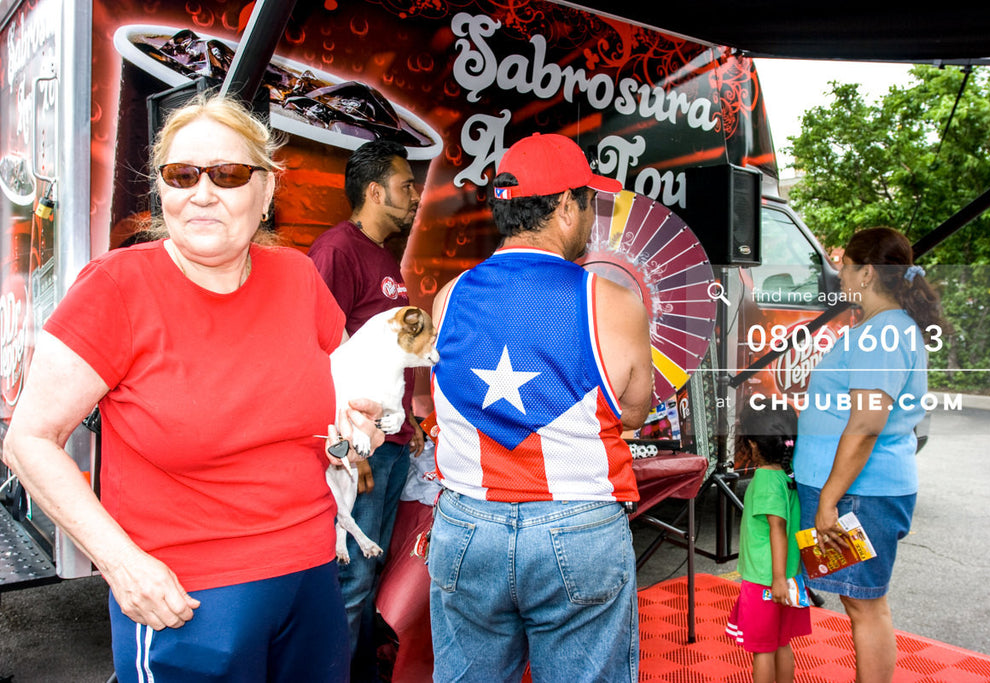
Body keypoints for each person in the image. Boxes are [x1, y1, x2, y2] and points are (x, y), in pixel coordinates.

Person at [1, 93, 385, 682]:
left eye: (228, 174)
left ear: (267, 191)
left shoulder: (298, 276)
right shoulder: (118, 288)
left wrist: (359, 424)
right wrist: (123, 565)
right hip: (188, 598)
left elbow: (334, 396)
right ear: (162, 189)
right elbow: (29, 439)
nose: (202, 193)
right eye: (182, 175)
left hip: (311, 579)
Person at [428, 133, 653, 682]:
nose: (593, 215)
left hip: (466, 525)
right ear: (566, 208)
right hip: (577, 527)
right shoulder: (614, 302)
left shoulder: (449, 295)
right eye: (590, 202)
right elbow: (634, 411)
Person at [793, 227, 943, 683]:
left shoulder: (885, 333)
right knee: (858, 601)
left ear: (868, 272)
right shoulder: (880, 328)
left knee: (865, 605)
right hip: (852, 492)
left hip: (857, 496)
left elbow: (866, 426)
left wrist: (828, 501)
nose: (839, 276)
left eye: (844, 267)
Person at [307, 139, 425, 679]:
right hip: (360, 449)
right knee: (351, 577)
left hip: (393, 441)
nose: (416, 194)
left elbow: (384, 354)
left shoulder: (382, 257)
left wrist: (411, 419)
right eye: (406, 185)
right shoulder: (336, 250)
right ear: (376, 192)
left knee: (369, 570)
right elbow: (315, 350)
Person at [726, 404, 810, 683]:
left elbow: (778, 528)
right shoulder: (789, 473)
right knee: (782, 643)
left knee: (762, 650)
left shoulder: (764, 479)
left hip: (766, 580)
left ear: (751, 443)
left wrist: (776, 580)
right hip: (789, 576)